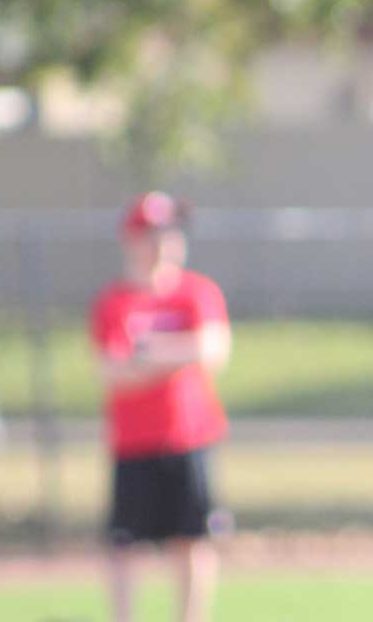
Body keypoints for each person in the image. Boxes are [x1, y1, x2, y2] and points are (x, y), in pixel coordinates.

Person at [89, 191, 231, 622]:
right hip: (134, 443)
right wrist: (178, 353)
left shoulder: (197, 292)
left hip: (189, 438)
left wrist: (149, 353)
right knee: (124, 545)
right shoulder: (115, 302)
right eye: (155, 233)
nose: (167, 242)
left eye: (171, 233)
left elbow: (212, 350)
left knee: (192, 540)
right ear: (133, 239)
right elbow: (113, 370)